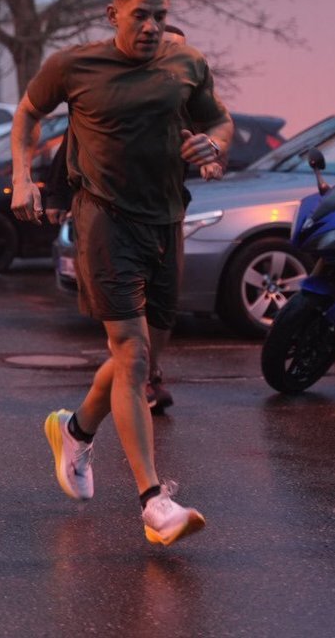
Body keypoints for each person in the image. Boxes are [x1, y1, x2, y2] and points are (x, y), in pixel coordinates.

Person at [11, 0, 231, 547]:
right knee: (131, 354)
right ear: (113, 14)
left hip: (167, 218)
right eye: (142, 16)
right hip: (104, 219)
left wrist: (216, 147)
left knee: (149, 357)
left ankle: (76, 430)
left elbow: (218, 120)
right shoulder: (75, 65)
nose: (154, 27)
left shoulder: (187, 65)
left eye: (161, 16)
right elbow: (29, 111)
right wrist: (22, 177)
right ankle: (154, 502)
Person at [43, 24, 225, 415]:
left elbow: (212, 133)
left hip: (164, 216)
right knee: (128, 325)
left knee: (161, 309)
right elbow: (72, 140)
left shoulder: (182, 99)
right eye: (165, 48)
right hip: (109, 215)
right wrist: (55, 194)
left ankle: (139, 379)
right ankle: (139, 387)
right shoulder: (114, 94)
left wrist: (212, 156)